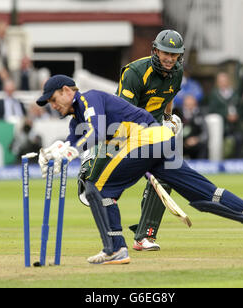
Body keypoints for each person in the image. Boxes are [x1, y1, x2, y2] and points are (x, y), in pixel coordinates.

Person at [36, 75, 243, 265]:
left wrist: (70, 151)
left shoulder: (88, 99)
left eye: (54, 99)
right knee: (204, 195)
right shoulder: (76, 120)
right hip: (159, 141)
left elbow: (95, 132)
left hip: (145, 141)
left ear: (67, 91)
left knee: (99, 189)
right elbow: (74, 141)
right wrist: (54, 155)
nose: (53, 105)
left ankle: (115, 248)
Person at [78, 29, 185, 251]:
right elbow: (124, 111)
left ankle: (144, 236)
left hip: (153, 131)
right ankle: (89, 164)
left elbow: (169, 95)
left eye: (174, 55)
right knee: (98, 186)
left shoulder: (177, 72)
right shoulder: (135, 72)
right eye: (165, 53)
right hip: (122, 127)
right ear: (155, 50)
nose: (169, 58)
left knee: (166, 176)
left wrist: (167, 119)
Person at [208, 72, 243, 158]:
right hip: (222, 127)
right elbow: (212, 110)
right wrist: (225, 115)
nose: (223, 83)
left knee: (240, 139)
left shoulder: (235, 93)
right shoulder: (214, 95)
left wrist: (237, 115)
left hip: (236, 126)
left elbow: (241, 107)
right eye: (220, 81)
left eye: (224, 81)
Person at [177, 95, 208, 159]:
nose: (189, 107)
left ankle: (201, 166)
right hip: (181, 143)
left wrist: (196, 139)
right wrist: (184, 142)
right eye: (187, 105)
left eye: (192, 105)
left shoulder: (200, 115)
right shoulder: (177, 115)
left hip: (196, 143)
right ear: (183, 105)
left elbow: (205, 134)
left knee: (203, 146)